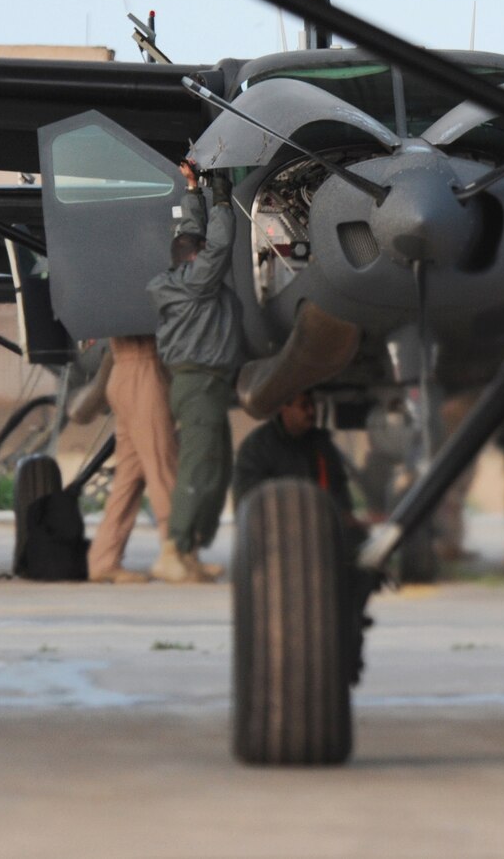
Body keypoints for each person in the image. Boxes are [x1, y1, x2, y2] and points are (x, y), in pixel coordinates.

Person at [148, 160, 246, 583]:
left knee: (217, 468)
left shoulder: (186, 276)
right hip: (199, 382)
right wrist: (222, 198)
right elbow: (218, 246)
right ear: (193, 260)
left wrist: (193, 190)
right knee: (199, 467)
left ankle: (189, 550)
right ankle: (173, 549)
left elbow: (191, 235)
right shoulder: (194, 282)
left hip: (209, 384)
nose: (209, 258)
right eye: (201, 253)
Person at [85, 335, 181, 584]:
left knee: (129, 476)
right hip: (144, 370)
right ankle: (177, 552)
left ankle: (104, 558)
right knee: (162, 466)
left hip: (121, 371)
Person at [232, 391, 354, 514]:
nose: (311, 411)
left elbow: (339, 488)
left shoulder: (322, 443)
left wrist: (345, 515)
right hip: (275, 522)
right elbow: (248, 500)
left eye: (312, 405)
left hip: (320, 520)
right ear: (284, 408)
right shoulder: (258, 447)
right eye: (304, 406)